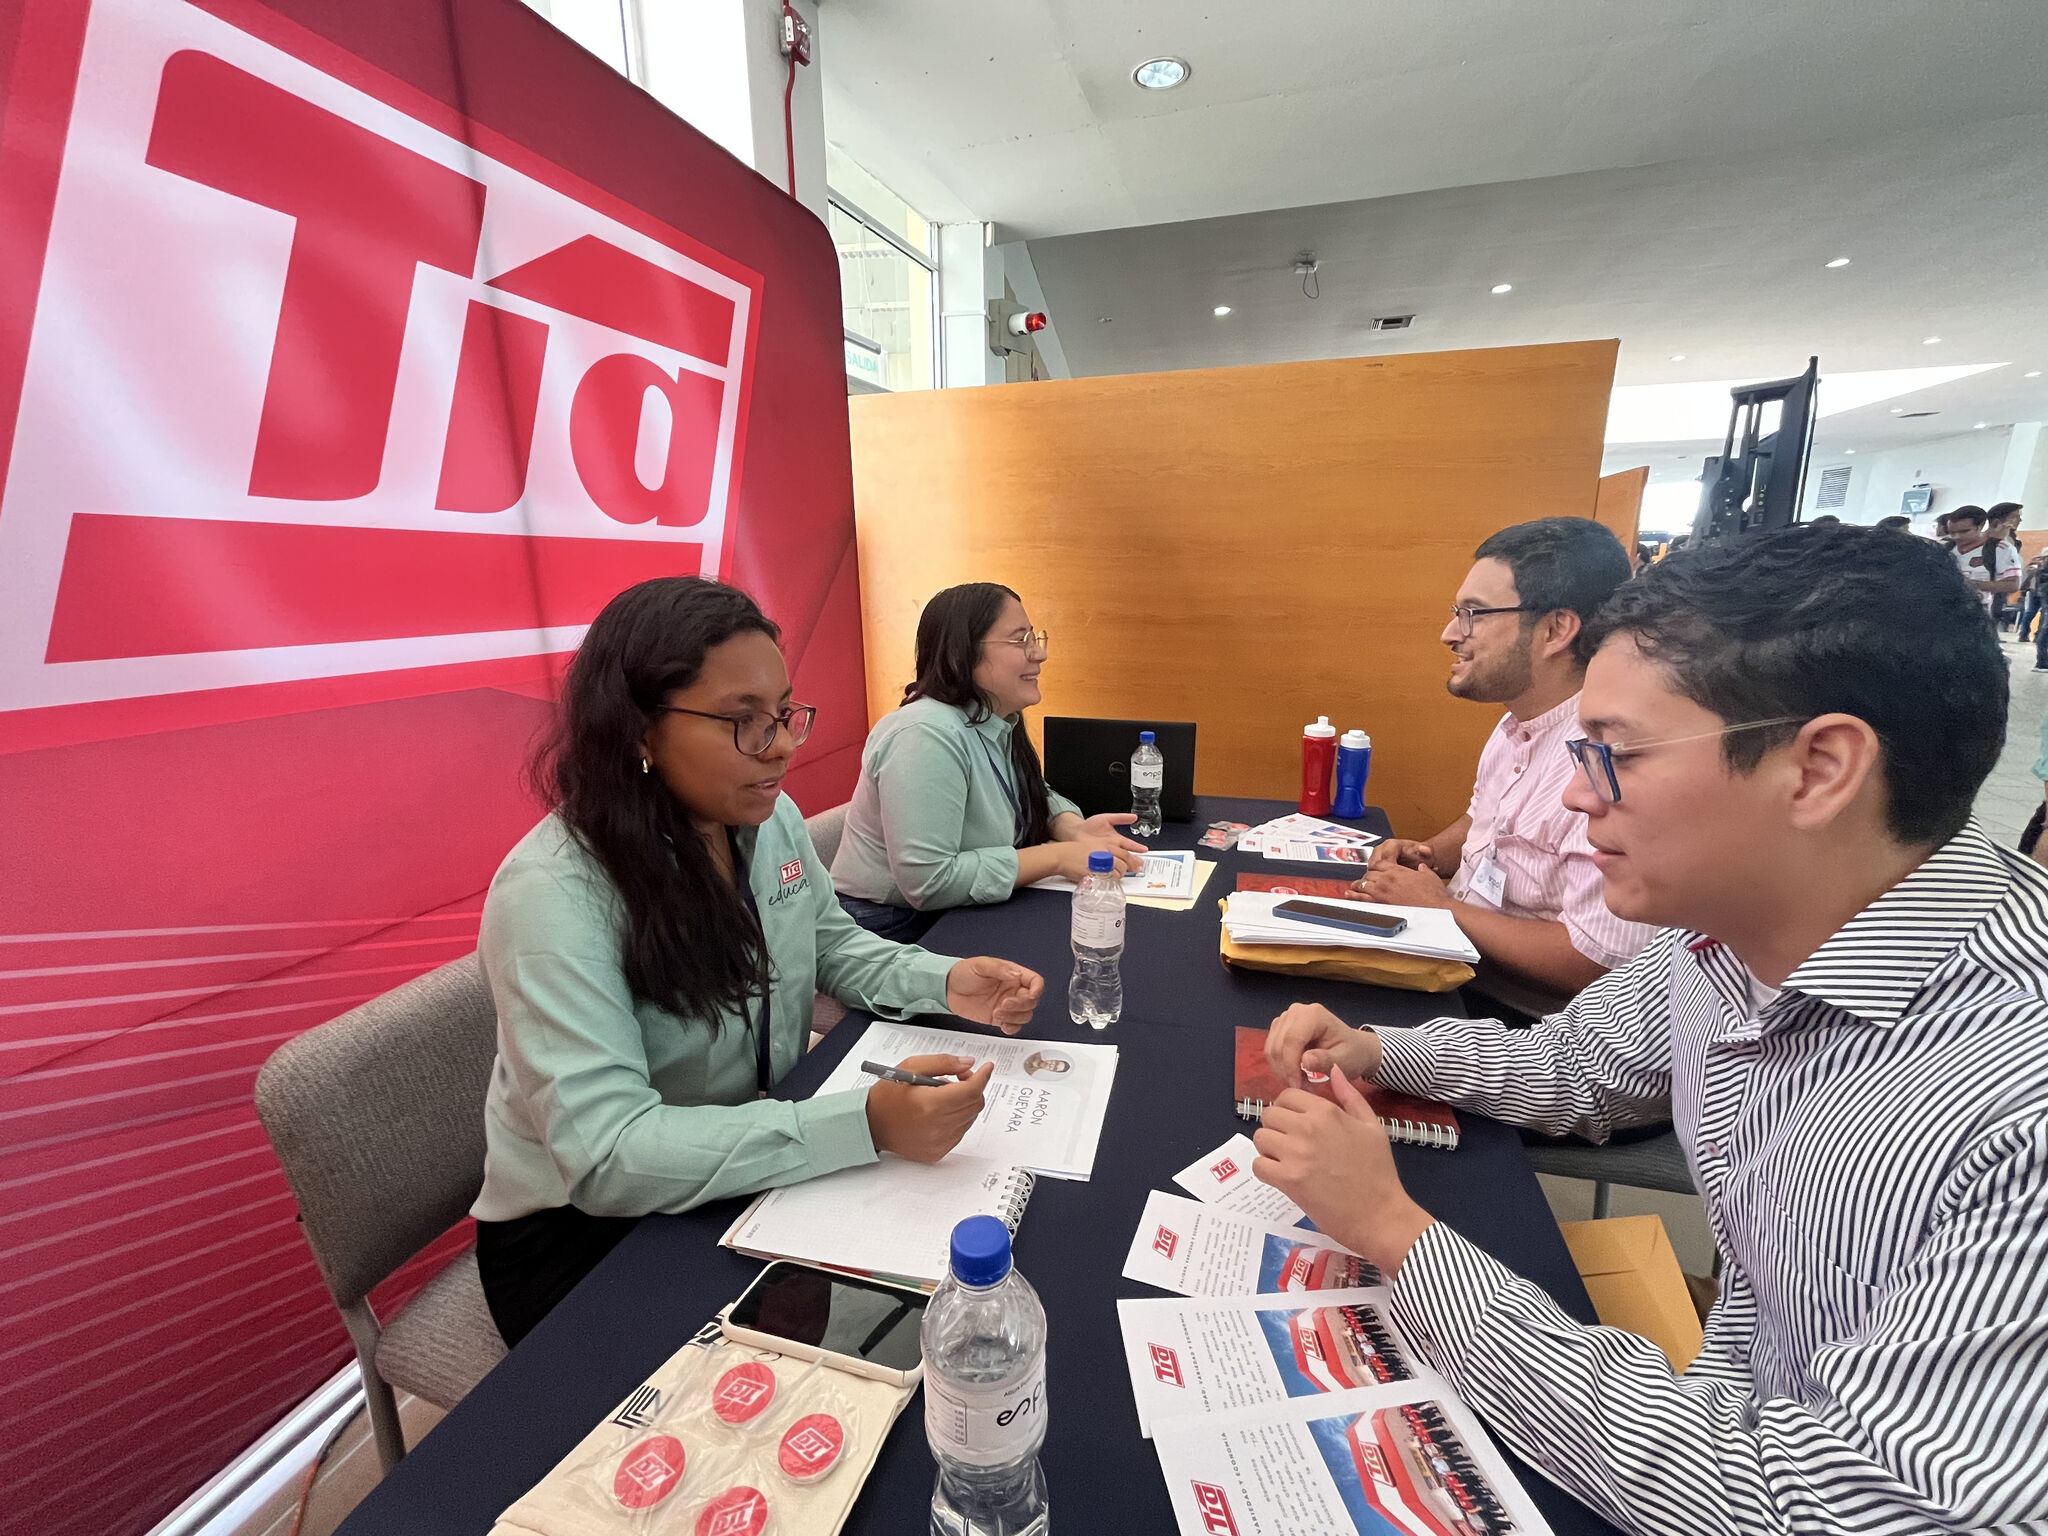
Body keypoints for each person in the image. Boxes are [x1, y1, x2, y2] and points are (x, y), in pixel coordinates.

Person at [1254, 524, 2048, 1536]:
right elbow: (1572, 1064)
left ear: (1818, 769)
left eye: (1614, 755)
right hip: (1730, 1388)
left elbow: (1798, 1507)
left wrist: (1398, 1238)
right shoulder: (1720, 933)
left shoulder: (2013, 1112)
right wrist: (1376, 1049)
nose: (1577, 792)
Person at [470, 577, 1047, 1345]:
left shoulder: (761, 821)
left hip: (742, 1159)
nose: (779, 746)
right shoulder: (554, 894)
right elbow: (610, 1153)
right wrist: (865, 1125)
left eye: (781, 714)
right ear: (638, 730)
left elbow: (829, 944)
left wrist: (944, 980)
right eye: (741, 721)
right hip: (590, 1238)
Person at [1351, 518, 1655, 1015]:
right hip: (1456, 965)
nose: (1450, 633)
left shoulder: (1607, 761)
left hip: (1521, 1021)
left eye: (1473, 614)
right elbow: (1485, 821)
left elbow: (1597, 963)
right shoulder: (1518, 723)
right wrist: (1429, 855)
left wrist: (1445, 909)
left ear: (1556, 629)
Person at [831, 582, 1144, 939]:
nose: (1039, 655)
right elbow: (929, 882)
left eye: (1035, 638)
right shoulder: (925, 734)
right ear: (959, 654)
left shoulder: (989, 719)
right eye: (1019, 640)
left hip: (956, 912)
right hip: (889, 928)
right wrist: (1057, 857)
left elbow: (1025, 789)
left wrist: (1071, 827)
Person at [1947, 504, 2020, 615]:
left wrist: (1972, 584)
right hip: (1945, 610)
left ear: (1980, 527)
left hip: (1978, 613)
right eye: (1952, 532)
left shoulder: (2000, 548)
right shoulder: (1946, 548)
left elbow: (2013, 585)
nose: (1956, 536)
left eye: (1964, 531)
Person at [1986, 503, 2025, 630]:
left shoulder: (2012, 542)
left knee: (1994, 615)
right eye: (2015, 516)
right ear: (1999, 520)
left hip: (2000, 589)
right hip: (1983, 590)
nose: (2020, 520)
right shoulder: (1982, 542)